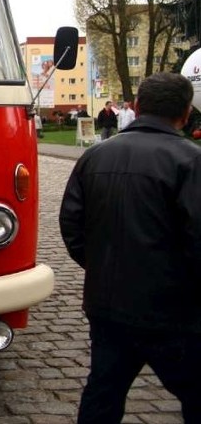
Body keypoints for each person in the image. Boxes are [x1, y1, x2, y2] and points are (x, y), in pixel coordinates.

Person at [58, 72, 201, 423]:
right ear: (186, 113)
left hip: (107, 303)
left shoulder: (94, 157)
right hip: (172, 311)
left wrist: (99, 265)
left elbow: (71, 226)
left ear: (136, 108)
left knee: (103, 394)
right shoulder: (191, 160)